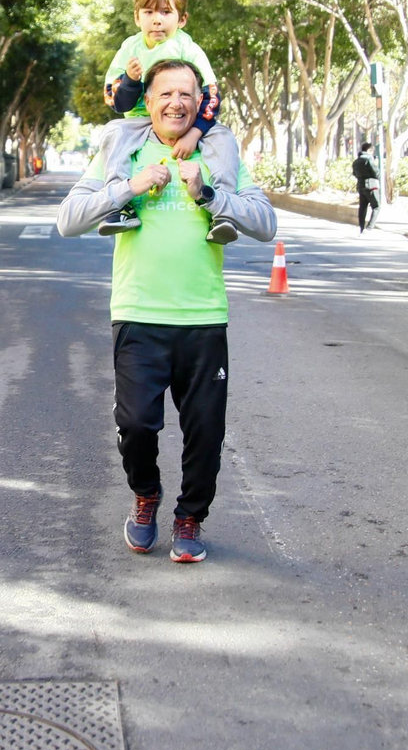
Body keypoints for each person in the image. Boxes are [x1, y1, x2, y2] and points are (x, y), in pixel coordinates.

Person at [57, 60, 276, 563]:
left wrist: (210, 194)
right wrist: (128, 189)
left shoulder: (217, 155)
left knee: (205, 429)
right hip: (138, 313)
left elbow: (265, 222)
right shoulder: (124, 151)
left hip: (202, 318)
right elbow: (68, 219)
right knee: (136, 425)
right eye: (165, 93)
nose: (176, 102)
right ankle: (146, 493)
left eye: (187, 94)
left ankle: (190, 516)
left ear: (200, 102)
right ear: (148, 101)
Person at [97, 0, 234, 243]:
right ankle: (121, 206)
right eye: (149, 12)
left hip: (185, 122)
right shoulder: (130, 48)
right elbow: (116, 102)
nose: (156, 20)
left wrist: (194, 133)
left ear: (182, 19)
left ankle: (222, 210)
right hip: (139, 122)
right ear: (137, 17)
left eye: (166, 12)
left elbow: (211, 96)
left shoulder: (188, 49)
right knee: (115, 133)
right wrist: (130, 81)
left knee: (223, 138)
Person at [352, 142, 382, 232]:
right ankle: (369, 228)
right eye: (371, 151)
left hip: (361, 185)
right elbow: (376, 172)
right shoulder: (369, 159)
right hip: (371, 185)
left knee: (362, 207)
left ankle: (361, 227)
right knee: (376, 206)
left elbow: (354, 174)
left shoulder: (356, 161)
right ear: (369, 150)